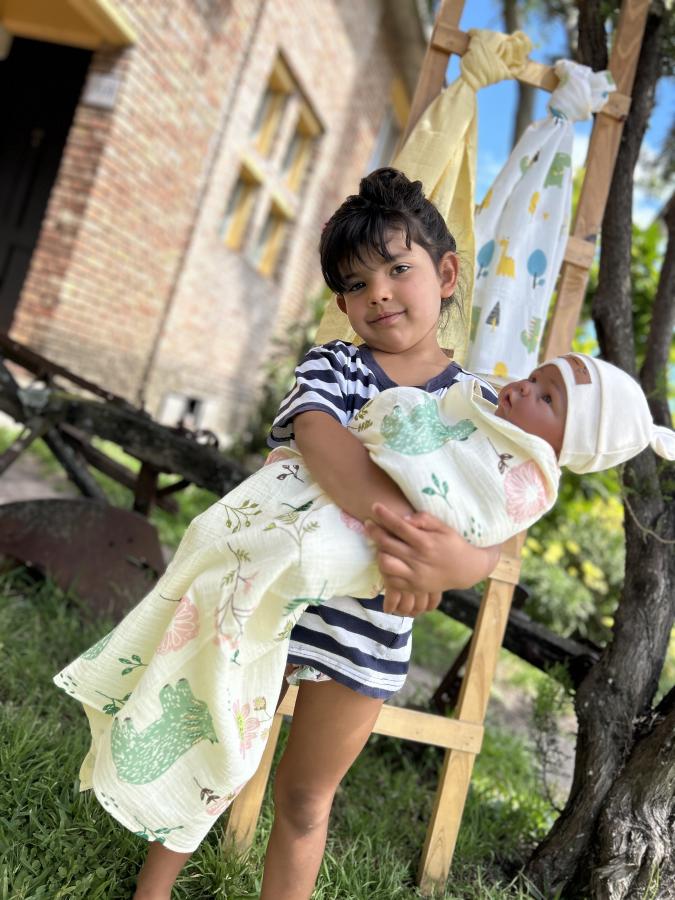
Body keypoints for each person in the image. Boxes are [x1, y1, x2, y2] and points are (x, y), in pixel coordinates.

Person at [55, 168, 674, 900]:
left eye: (397, 269)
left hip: (367, 630)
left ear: (446, 275)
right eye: (355, 283)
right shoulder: (337, 365)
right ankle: (152, 890)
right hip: (263, 593)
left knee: (306, 798)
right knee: (211, 745)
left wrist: (446, 566)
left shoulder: (481, 407)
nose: (377, 292)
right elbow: (320, 441)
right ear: (343, 302)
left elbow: (487, 529)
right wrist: (403, 539)